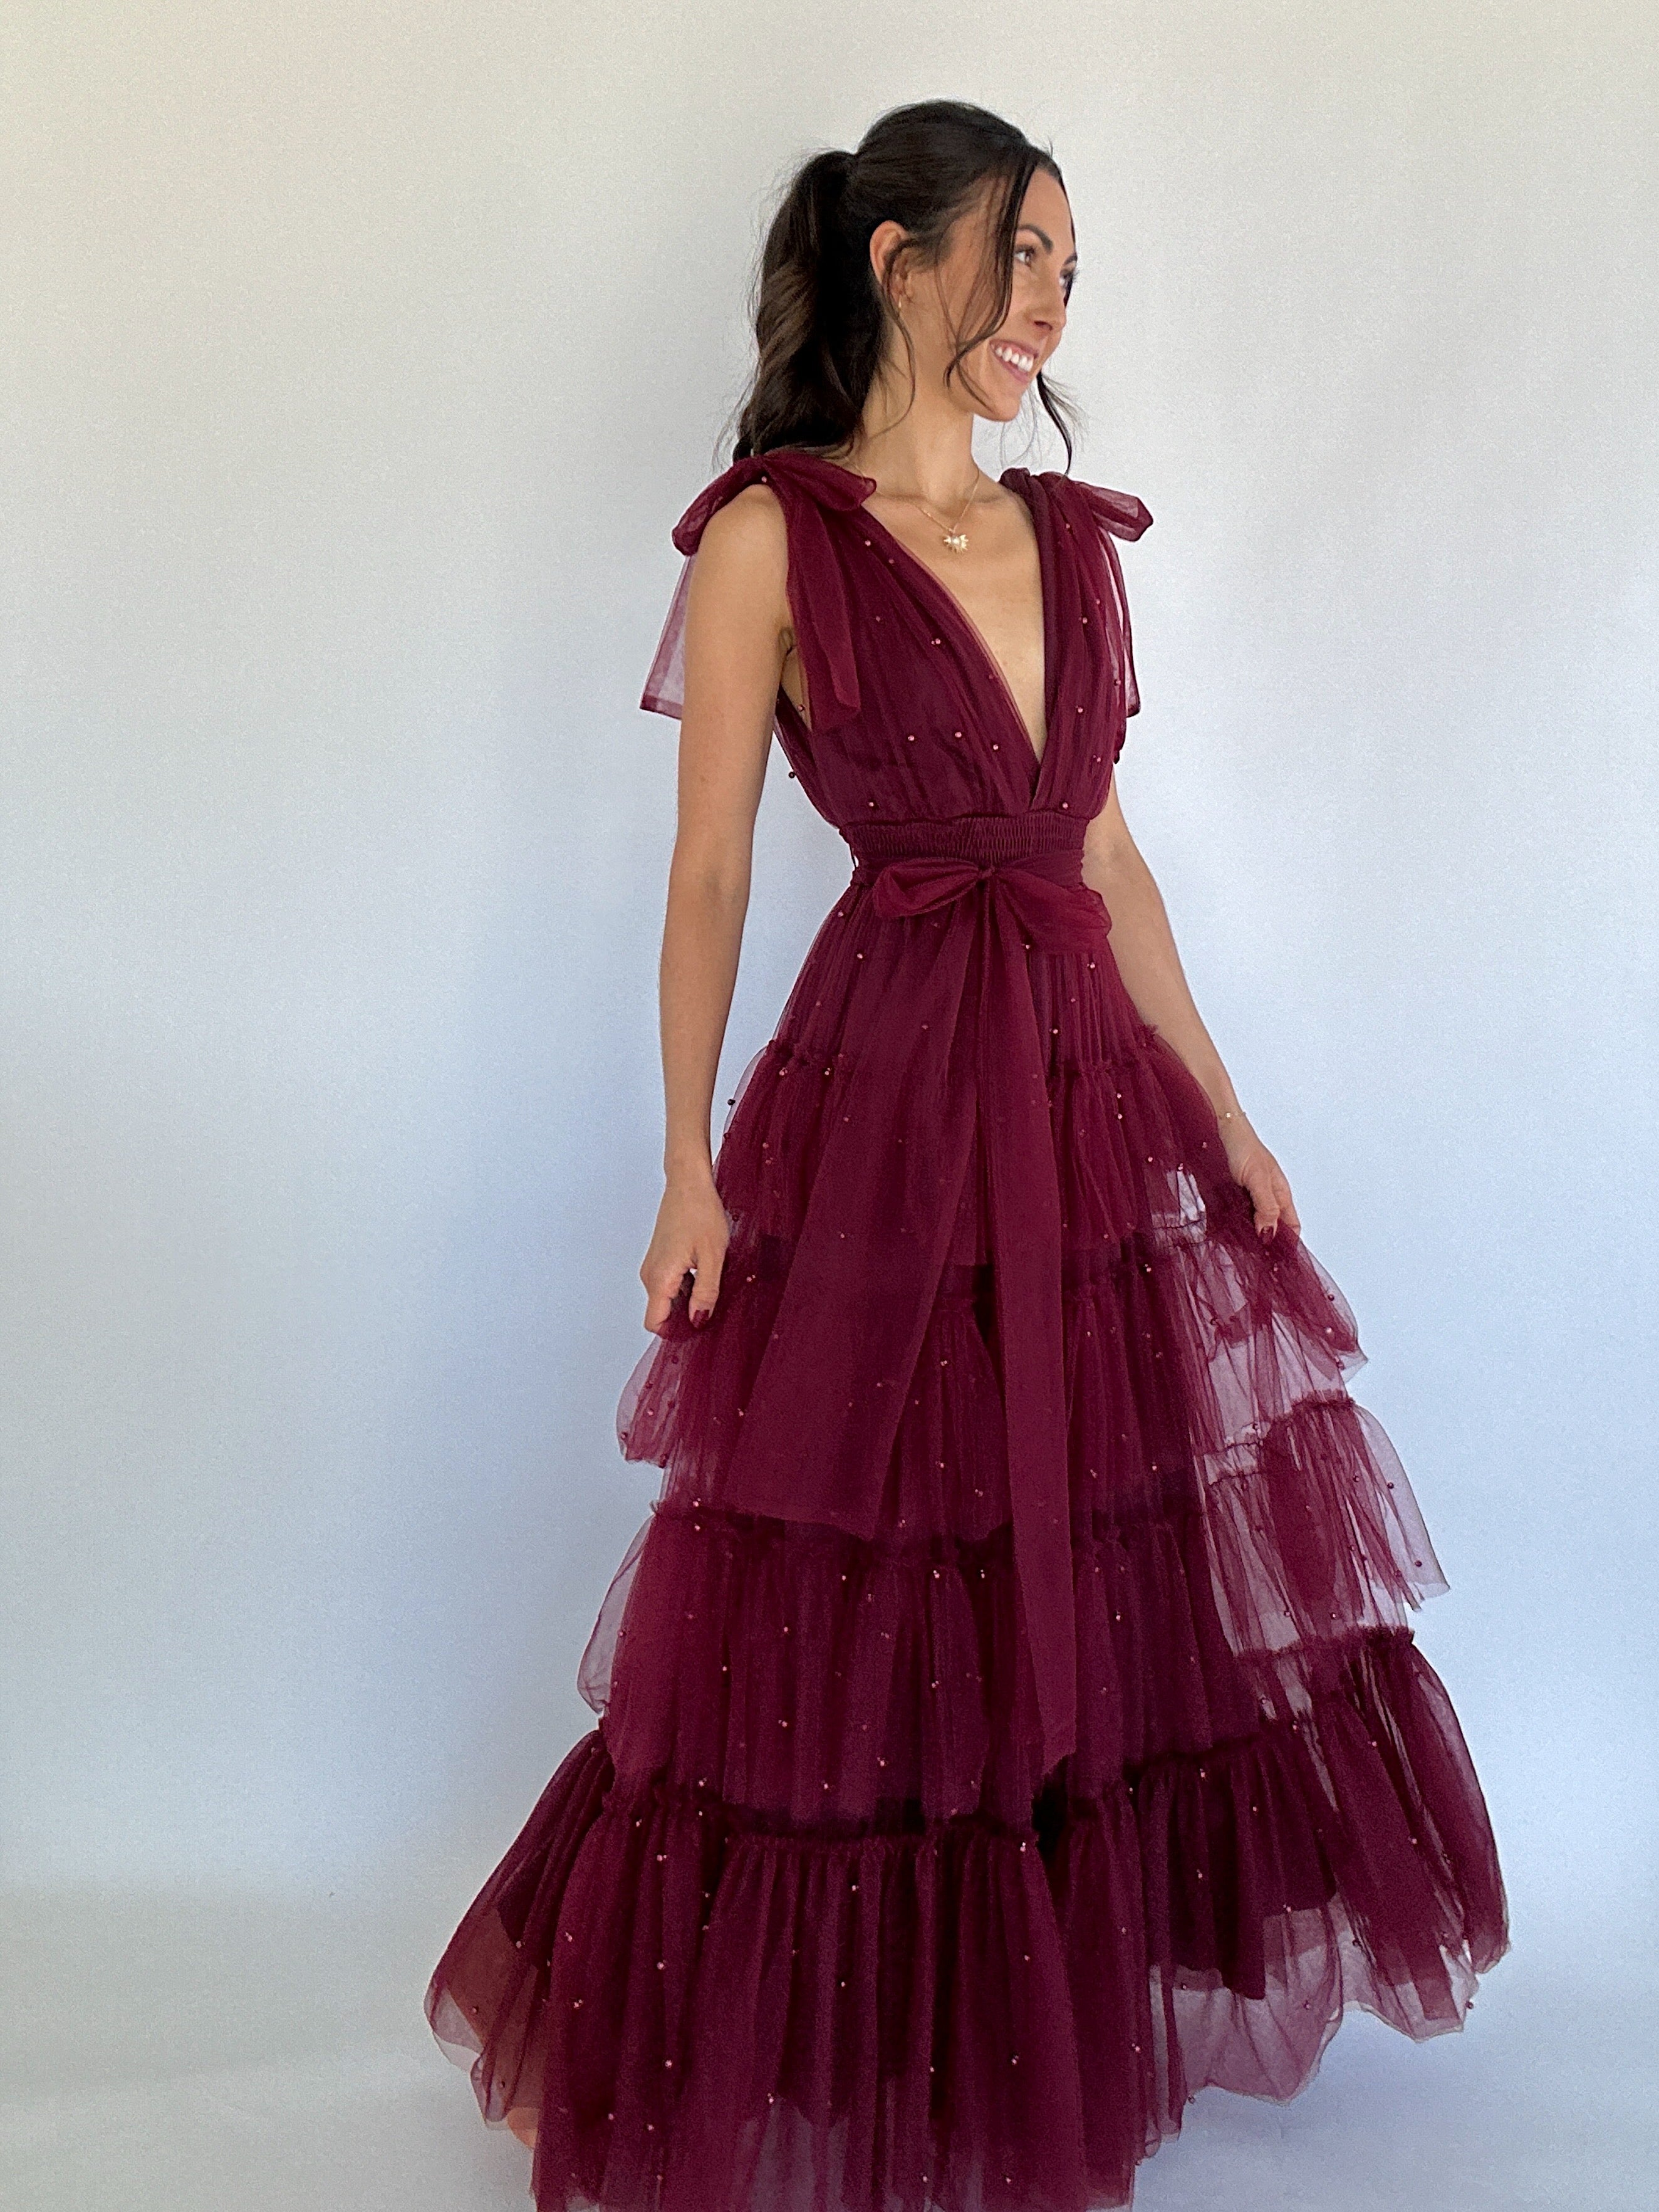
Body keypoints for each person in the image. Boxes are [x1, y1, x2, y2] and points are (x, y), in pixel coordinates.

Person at [427, 97, 1509, 2212]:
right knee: (876, 1547)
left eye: (1072, 274)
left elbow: (1104, 852)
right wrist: (684, 1166)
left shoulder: (1069, 543)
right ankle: (873, 2030)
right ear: (897, 262)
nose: (1050, 306)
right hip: (889, 1099)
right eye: (1023, 255)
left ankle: (1047, 2005)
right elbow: (717, 871)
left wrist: (1227, 1106)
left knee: (1095, 1536)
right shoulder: (770, 540)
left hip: (1085, 1095)